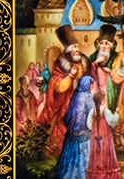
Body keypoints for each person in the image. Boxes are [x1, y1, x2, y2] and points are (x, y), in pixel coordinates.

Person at [38, 25, 95, 156]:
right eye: (74, 47)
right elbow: (56, 84)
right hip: (68, 102)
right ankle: (59, 151)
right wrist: (70, 76)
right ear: (68, 49)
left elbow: (92, 78)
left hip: (85, 101)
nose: (77, 49)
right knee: (64, 125)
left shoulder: (84, 61)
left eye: (77, 46)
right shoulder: (61, 63)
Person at [54, 75, 95, 179]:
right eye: (90, 84)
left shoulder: (75, 96)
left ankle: (65, 174)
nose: (91, 87)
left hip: (72, 133)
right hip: (85, 134)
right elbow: (93, 115)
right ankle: (83, 176)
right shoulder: (88, 98)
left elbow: (68, 116)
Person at [85, 90, 123, 179]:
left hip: (95, 137)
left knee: (96, 154)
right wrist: (117, 113)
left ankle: (96, 178)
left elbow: (89, 125)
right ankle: (107, 178)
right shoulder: (105, 111)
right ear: (102, 100)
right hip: (105, 136)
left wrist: (95, 128)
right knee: (106, 153)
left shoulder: (92, 111)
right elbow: (112, 122)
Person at [89, 24, 120, 113]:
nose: (103, 46)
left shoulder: (116, 56)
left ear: (111, 45)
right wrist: (96, 62)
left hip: (111, 90)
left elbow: (120, 74)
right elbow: (87, 72)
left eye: (106, 43)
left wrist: (111, 71)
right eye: (101, 43)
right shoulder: (93, 56)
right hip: (96, 89)